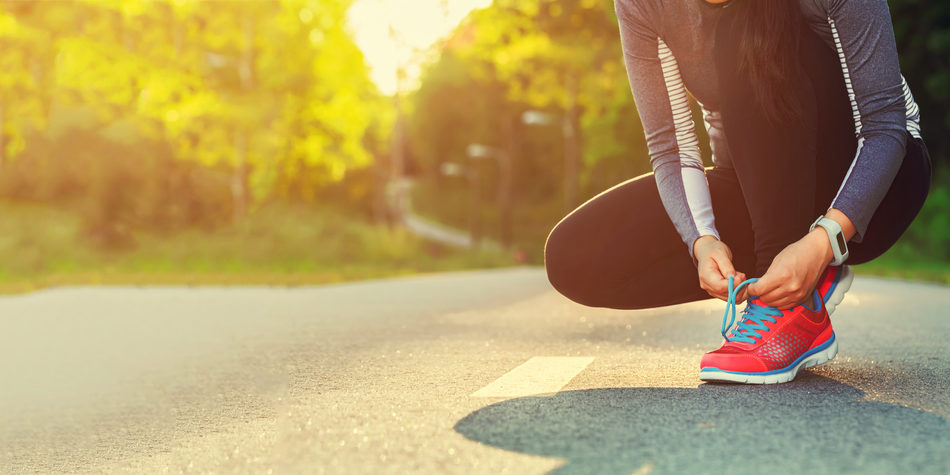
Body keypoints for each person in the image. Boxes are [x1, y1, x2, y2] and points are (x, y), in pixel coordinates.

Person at [543, 0, 932, 384]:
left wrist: (824, 241)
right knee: (574, 257)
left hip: (876, 189)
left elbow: (885, 126)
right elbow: (672, 148)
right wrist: (703, 241)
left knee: (741, 25)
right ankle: (789, 275)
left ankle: (791, 308)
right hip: (761, 189)